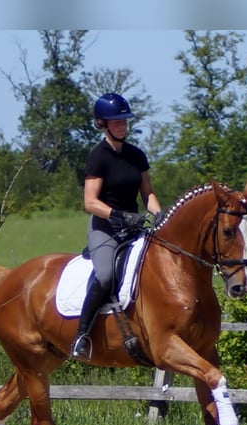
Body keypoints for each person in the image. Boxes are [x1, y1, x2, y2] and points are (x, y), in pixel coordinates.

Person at [71, 92, 162, 360]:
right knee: (106, 276)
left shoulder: (136, 155)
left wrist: (159, 215)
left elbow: (148, 195)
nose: (123, 125)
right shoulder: (98, 157)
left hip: (134, 226)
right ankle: (82, 335)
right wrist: (119, 216)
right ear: (103, 123)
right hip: (105, 228)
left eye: (125, 120)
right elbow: (90, 202)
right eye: (117, 121)